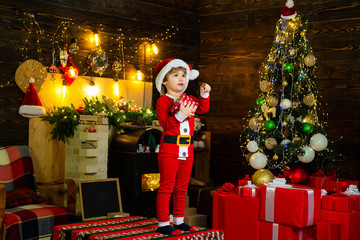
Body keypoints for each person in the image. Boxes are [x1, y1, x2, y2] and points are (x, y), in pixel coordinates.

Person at [154, 58, 211, 235]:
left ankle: (178, 220)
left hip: (187, 150)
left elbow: (202, 109)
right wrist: (181, 114)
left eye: (184, 75)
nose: (181, 78)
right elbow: (166, 125)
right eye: (176, 75)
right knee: (167, 187)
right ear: (164, 80)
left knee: (182, 187)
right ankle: (163, 222)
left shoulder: (188, 98)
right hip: (169, 150)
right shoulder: (163, 101)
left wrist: (204, 94)